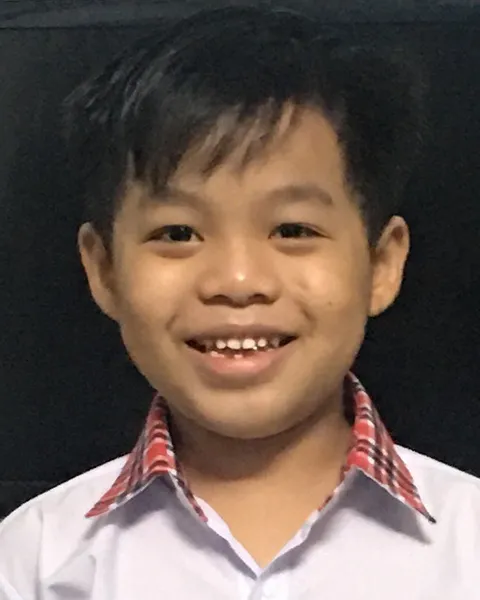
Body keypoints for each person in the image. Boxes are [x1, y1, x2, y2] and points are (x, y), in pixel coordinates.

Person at [0, 5, 479, 599]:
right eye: (178, 233)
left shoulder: (468, 546)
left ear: (381, 264)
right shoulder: (32, 561)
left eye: (293, 229)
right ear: (104, 271)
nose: (237, 279)